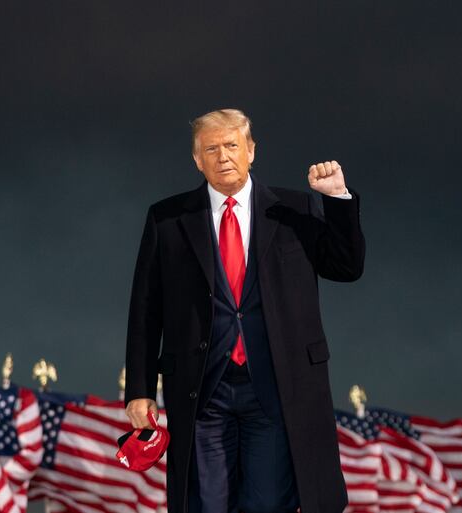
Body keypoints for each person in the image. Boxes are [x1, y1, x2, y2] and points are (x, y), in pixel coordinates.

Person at [124, 109, 365, 513]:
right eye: (211, 149)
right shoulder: (168, 220)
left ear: (251, 150)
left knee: (268, 503)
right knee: (206, 503)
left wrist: (338, 199)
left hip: (275, 387)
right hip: (202, 391)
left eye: (232, 145)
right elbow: (146, 309)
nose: (223, 157)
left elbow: (347, 267)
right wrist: (140, 389)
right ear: (197, 160)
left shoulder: (295, 210)